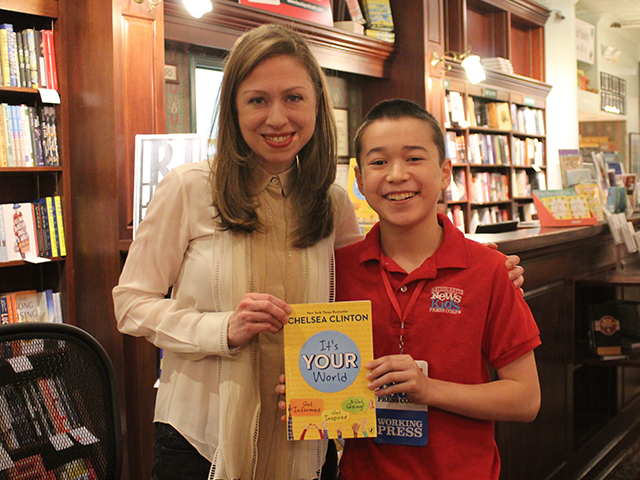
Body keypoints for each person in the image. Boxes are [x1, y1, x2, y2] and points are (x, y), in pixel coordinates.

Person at [113, 23, 525, 480]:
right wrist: (221, 328)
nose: (277, 118)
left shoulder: (331, 203)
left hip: (306, 439)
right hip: (202, 435)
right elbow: (130, 305)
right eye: (257, 100)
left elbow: (369, 281)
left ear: (316, 107)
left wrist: (487, 269)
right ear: (232, 107)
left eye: (293, 98)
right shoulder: (189, 189)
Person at [331, 98, 541, 480]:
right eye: (379, 162)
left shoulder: (490, 270)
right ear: (359, 181)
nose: (396, 175)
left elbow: (526, 398)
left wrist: (428, 389)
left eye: (414, 159)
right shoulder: (336, 270)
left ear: (445, 172)